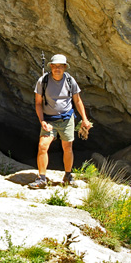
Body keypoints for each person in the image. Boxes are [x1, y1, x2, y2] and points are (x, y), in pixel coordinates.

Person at [29, 54, 92, 189]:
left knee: (67, 147)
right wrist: (42, 121)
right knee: (43, 146)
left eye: (60, 66)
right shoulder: (43, 81)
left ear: (64, 67)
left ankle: (68, 176)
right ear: (51, 66)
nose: (57, 69)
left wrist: (85, 119)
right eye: (55, 66)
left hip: (67, 119)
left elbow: (77, 100)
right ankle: (41, 178)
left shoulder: (70, 80)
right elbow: (38, 104)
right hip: (49, 120)